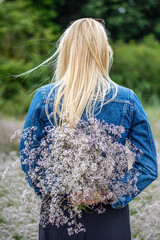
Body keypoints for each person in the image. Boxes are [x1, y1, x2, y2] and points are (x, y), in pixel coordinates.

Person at [19, 18, 158, 240]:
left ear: (66, 51)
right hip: (110, 219)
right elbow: (148, 167)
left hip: (59, 216)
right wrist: (109, 192)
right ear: (105, 51)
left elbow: (29, 158)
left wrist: (54, 192)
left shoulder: (45, 98)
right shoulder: (127, 100)